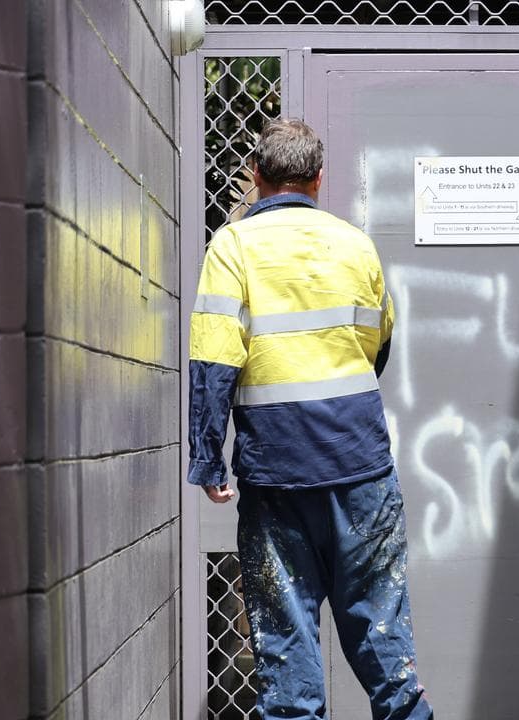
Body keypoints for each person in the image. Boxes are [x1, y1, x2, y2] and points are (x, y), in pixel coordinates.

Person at [187, 117, 432, 720]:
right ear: (320, 177)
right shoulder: (355, 244)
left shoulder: (232, 247)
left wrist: (207, 456)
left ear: (255, 175)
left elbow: (214, 360)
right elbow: (379, 344)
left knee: (289, 664)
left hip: (277, 478)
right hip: (360, 469)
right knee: (386, 647)